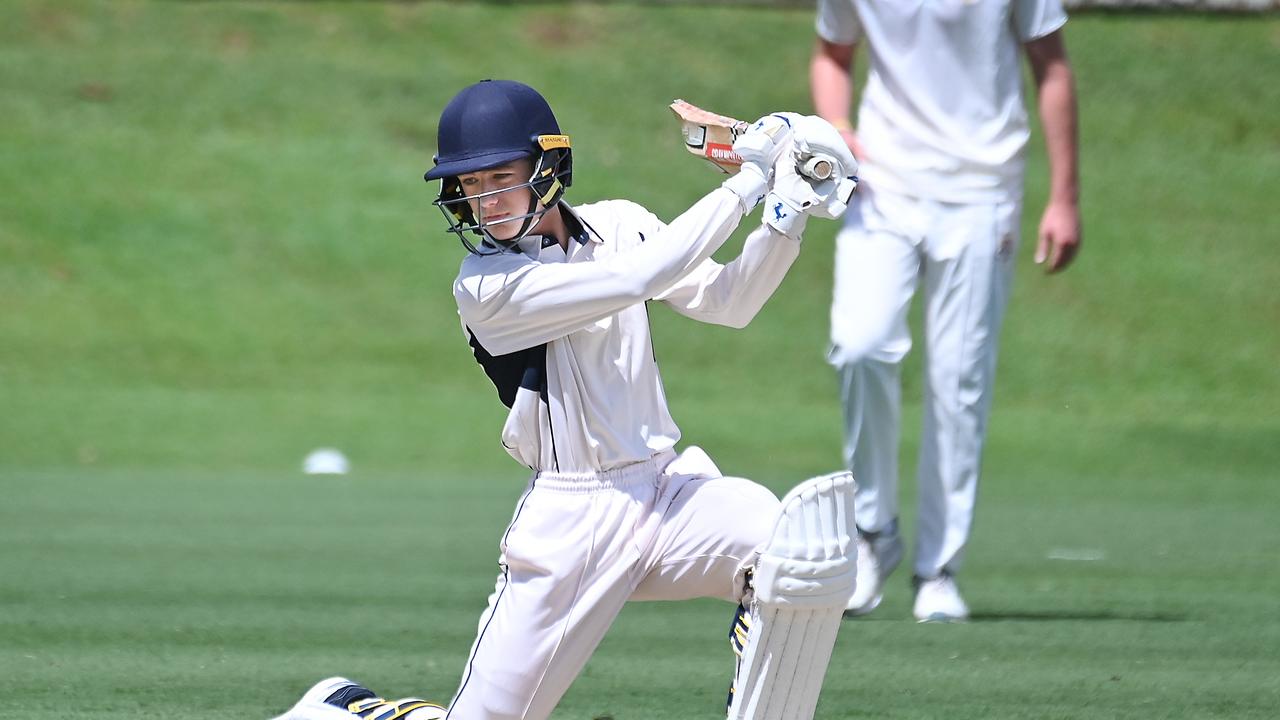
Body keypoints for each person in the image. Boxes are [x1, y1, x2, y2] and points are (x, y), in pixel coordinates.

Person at [272, 80, 862, 720]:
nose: (486, 199)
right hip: (571, 520)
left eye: (501, 175)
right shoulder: (487, 286)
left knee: (789, 552)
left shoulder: (621, 224)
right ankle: (345, 709)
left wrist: (787, 208)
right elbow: (640, 278)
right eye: (470, 185)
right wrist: (750, 178)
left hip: (665, 496)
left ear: (547, 166)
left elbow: (731, 303)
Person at [810, 0, 1082, 622]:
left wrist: (1064, 198)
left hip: (981, 191)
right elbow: (833, 51)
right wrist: (836, 124)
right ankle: (872, 533)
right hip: (882, 184)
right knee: (860, 343)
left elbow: (1053, 67)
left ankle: (938, 569)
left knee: (958, 379)